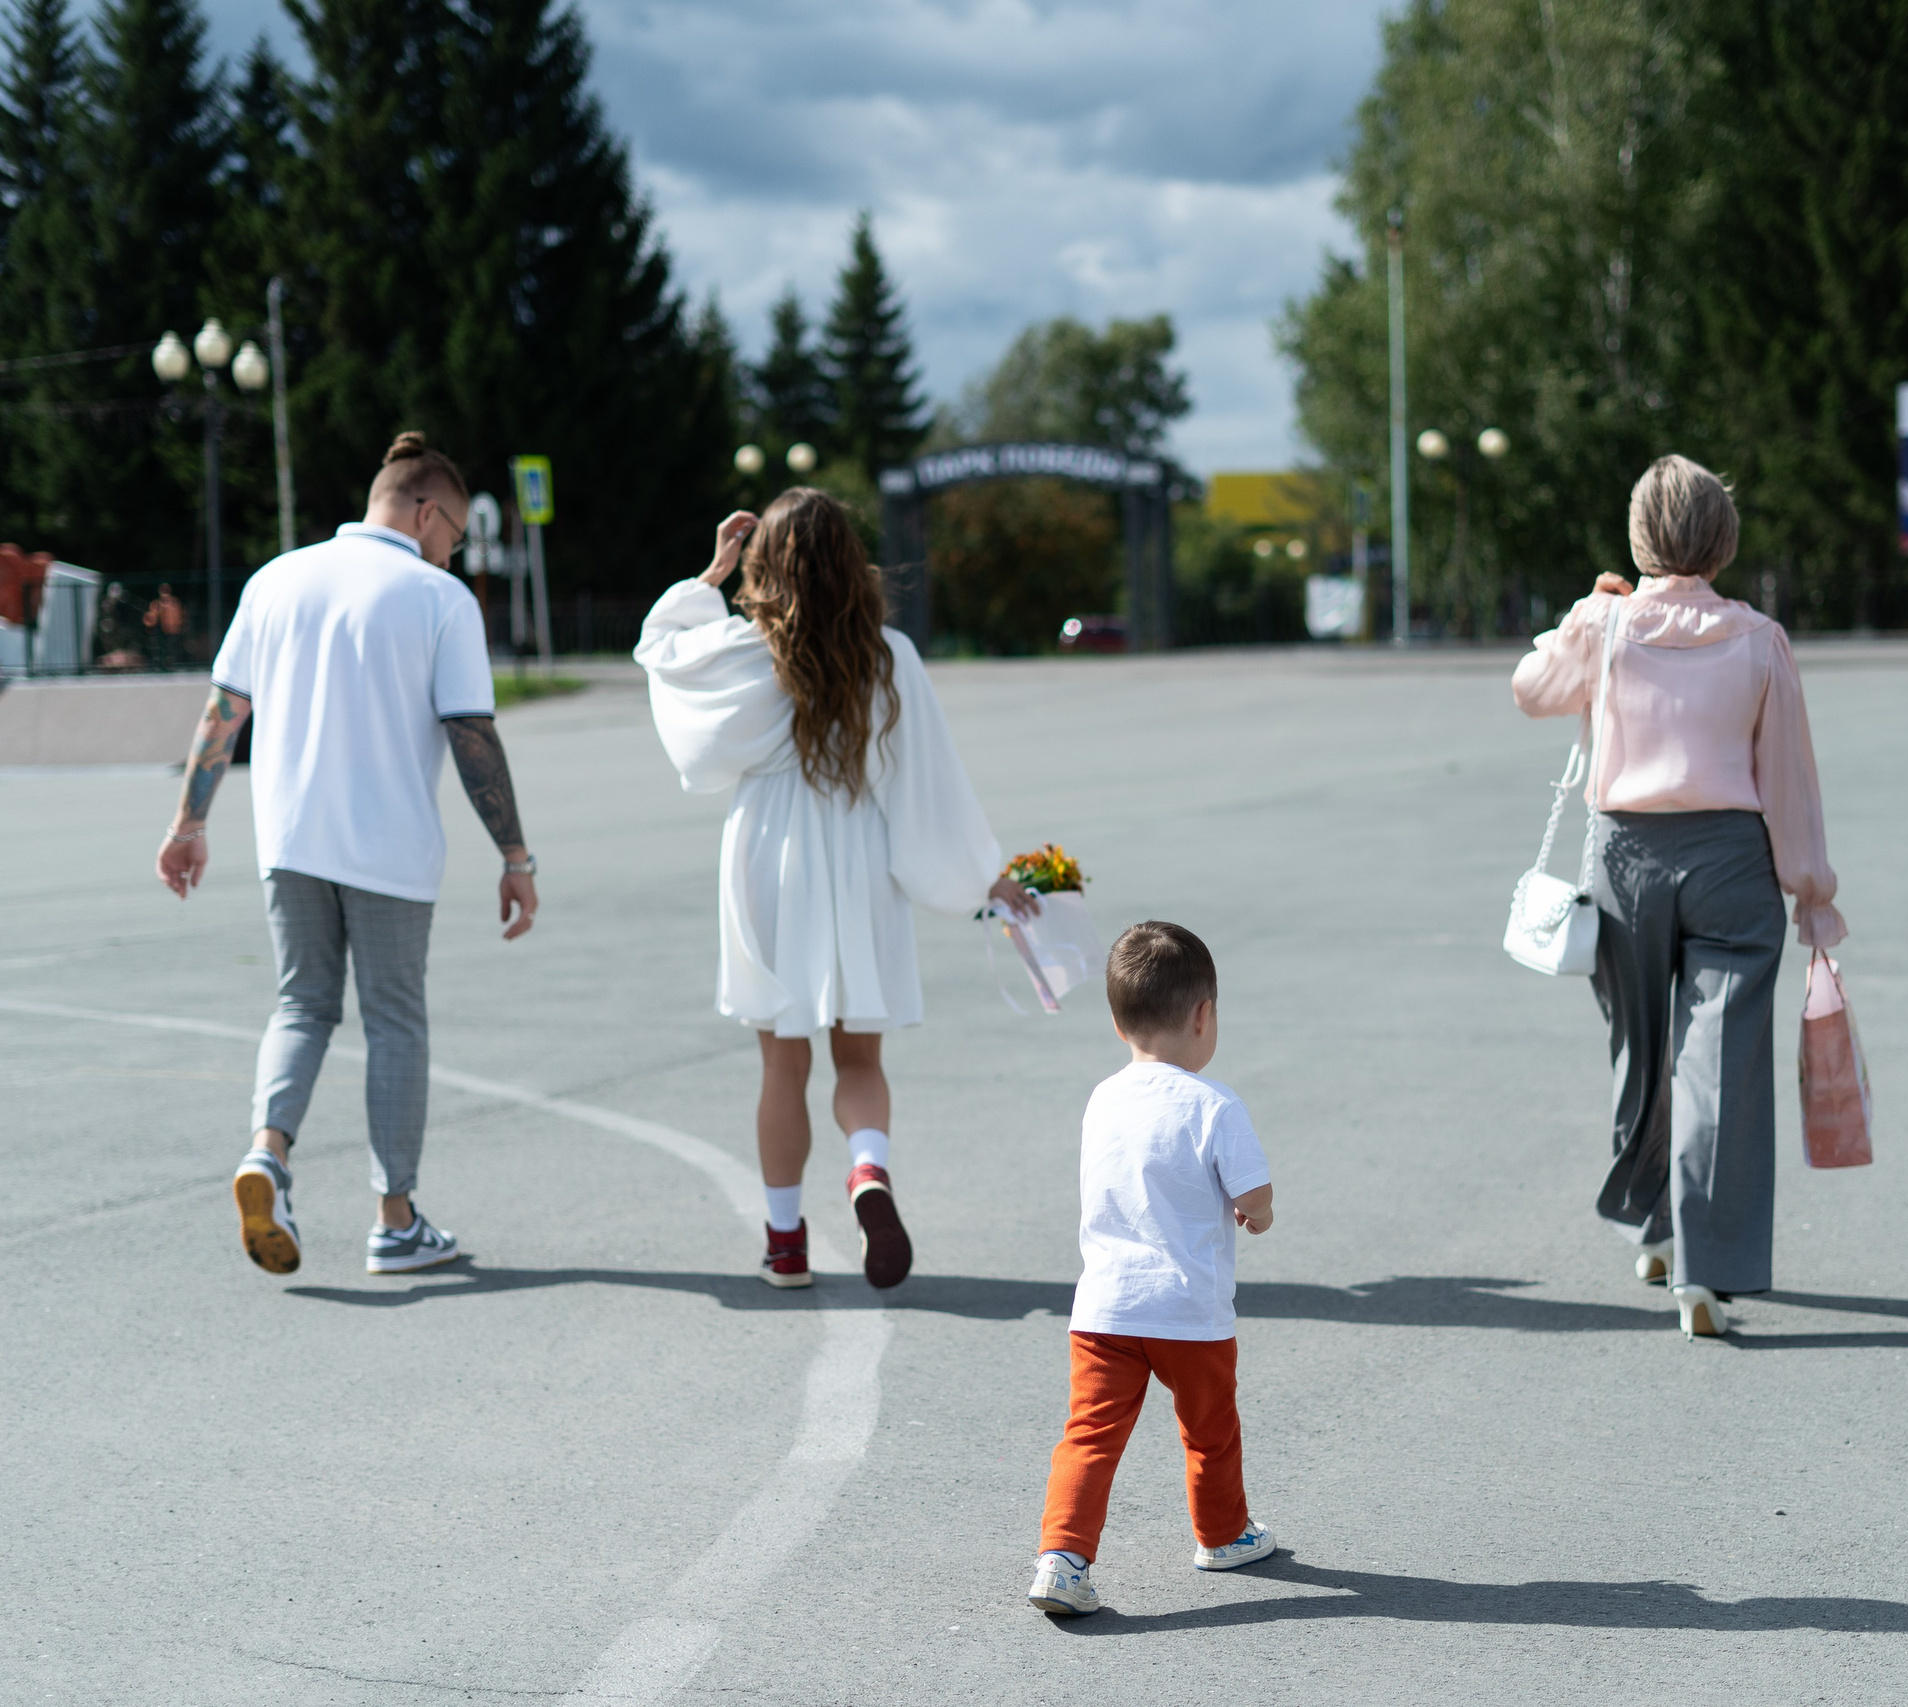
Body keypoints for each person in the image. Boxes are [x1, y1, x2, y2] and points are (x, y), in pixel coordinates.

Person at [156, 431, 539, 1277]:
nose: (456, 550)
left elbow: (223, 712)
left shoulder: (276, 579)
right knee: (395, 1018)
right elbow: (471, 733)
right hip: (389, 848)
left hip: (288, 838)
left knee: (301, 1005)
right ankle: (395, 1220)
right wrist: (515, 852)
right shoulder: (439, 601)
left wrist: (190, 823)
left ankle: (267, 1154)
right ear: (427, 509)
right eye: (458, 533)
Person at [634, 490, 1031, 1289]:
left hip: (768, 855)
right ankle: (867, 1172)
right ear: (852, 561)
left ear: (764, 565)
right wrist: (980, 873)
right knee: (859, 1055)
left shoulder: (740, 654)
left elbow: (659, 649)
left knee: (782, 1066)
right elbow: (930, 787)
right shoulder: (889, 658)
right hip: (858, 855)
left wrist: (711, 572)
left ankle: (785, 1243)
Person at [1513, 454, 1847, 1342]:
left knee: (1642, 1050)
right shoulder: (1760, 637)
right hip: (1734, 859)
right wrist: (1811, 894)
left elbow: (1531, 690)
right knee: (1722, 1063)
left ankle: (1652, 1221)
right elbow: (1790, 782)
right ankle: (1706, 1265)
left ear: (1639, 536)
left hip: (1623, 855)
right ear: (1723, 540)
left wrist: (1587, 609)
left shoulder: (1607, 625)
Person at [1027, 921, 1277, 1618]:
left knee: (1090, 1434)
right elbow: (1252, 1196)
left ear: (1116, 1022)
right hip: (1190, 1312)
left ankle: (1062, 1557)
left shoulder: (1103, 1097)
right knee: (1209, 1430)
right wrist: (1258, 1214)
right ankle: (1223, 1535)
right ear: (1204, 1015)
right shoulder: (1214, 1103)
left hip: (1104, 1308)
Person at [145, 583, 186, 671]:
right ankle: (160, 665)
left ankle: (172, 665)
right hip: (160, 630)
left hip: (172, 630)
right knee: (159, 649)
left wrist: (177, 626)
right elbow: (151, 617)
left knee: (172, 649)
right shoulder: (156, 604)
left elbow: (179, 615)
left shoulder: (174, 603)